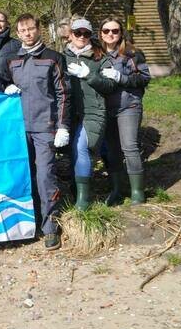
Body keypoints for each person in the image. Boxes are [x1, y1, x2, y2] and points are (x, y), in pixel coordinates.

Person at [3, 13, 70, 251]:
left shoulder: (53, 58)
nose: (28, 34)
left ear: (38, 30)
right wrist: (4, 89)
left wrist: (62, 126)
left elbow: (64, 94)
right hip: (19, 129)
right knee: (22, 176)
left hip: (45, 128)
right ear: (18, 33)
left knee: (45, 177)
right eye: (23, 31)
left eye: (31, 29)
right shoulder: (11, 60)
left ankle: (51, 226)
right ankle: (26, 224)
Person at [62, 18, 118, 210]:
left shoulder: (99, 57)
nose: (82, 37)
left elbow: (110, 86)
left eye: (86, 34)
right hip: (68, 112)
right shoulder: (61, 57)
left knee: (81, 147)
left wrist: (89, 75)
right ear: (70, 35)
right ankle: (75, 191)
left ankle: (83, 201)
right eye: (78, 33)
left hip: (94, 111)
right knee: (71, 151)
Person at [99, 17, 151, 205]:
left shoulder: (132, 53)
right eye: (106, 31)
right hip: (106, 108)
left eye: (115, 31)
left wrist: (122, 78)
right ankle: (117, 189)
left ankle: (137, 192)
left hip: (129, 106)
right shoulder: (97, 54)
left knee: (129, 147)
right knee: (112, 151)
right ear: (101, 33)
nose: (110, 34)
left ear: (121, 33)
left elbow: (144, 78)